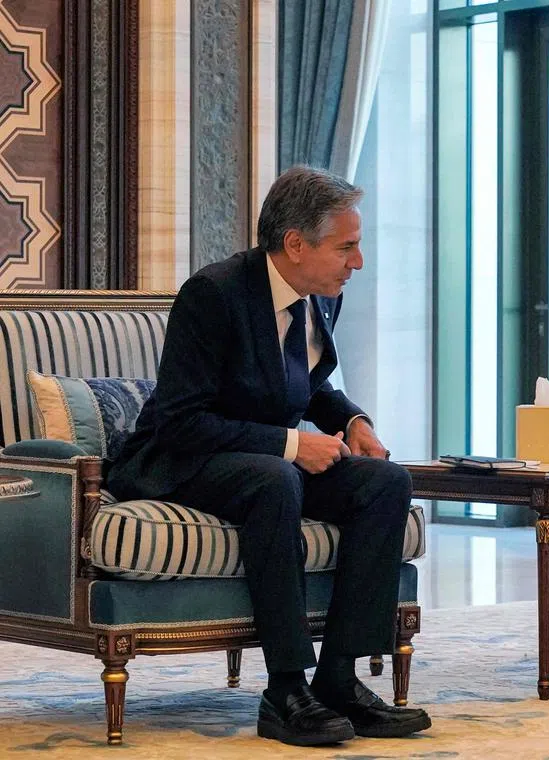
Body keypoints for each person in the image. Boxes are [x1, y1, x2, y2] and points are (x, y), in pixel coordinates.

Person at [108, 166, 431, 746]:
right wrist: (290, 444)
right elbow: (182, 421)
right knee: (275, 478)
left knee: (385, 482)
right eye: (347, 247)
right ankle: (285, 690)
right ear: (295, 244)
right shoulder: (213, 295)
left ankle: (338, 680)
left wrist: (351, 421)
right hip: (183, 461)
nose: (357, 262)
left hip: (263, 462)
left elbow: (306, 385)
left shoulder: (318, 298)